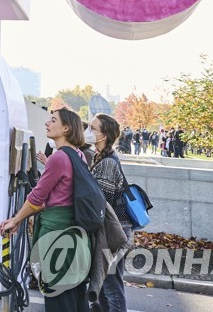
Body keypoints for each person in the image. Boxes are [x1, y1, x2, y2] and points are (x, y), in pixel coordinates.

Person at [0, 108, 89, 312]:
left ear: (66, 128)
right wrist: (19, 218)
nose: (47, 123)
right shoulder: (79, 155)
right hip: (77, 236)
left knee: (58, 299)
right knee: (74, 298)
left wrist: (15, 220)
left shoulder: (58, 158)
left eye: (53, 120)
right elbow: (52, 200)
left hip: (57, 236)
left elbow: (37, 198)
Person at [89, 114, 131, 312]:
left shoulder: (107, 163)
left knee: (111, 287)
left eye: (92, 128)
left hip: (114, 233)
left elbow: (101, 203)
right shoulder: (102, 157)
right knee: (104, 288)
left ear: (103, 135)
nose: (88, 131)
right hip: (114, 230)